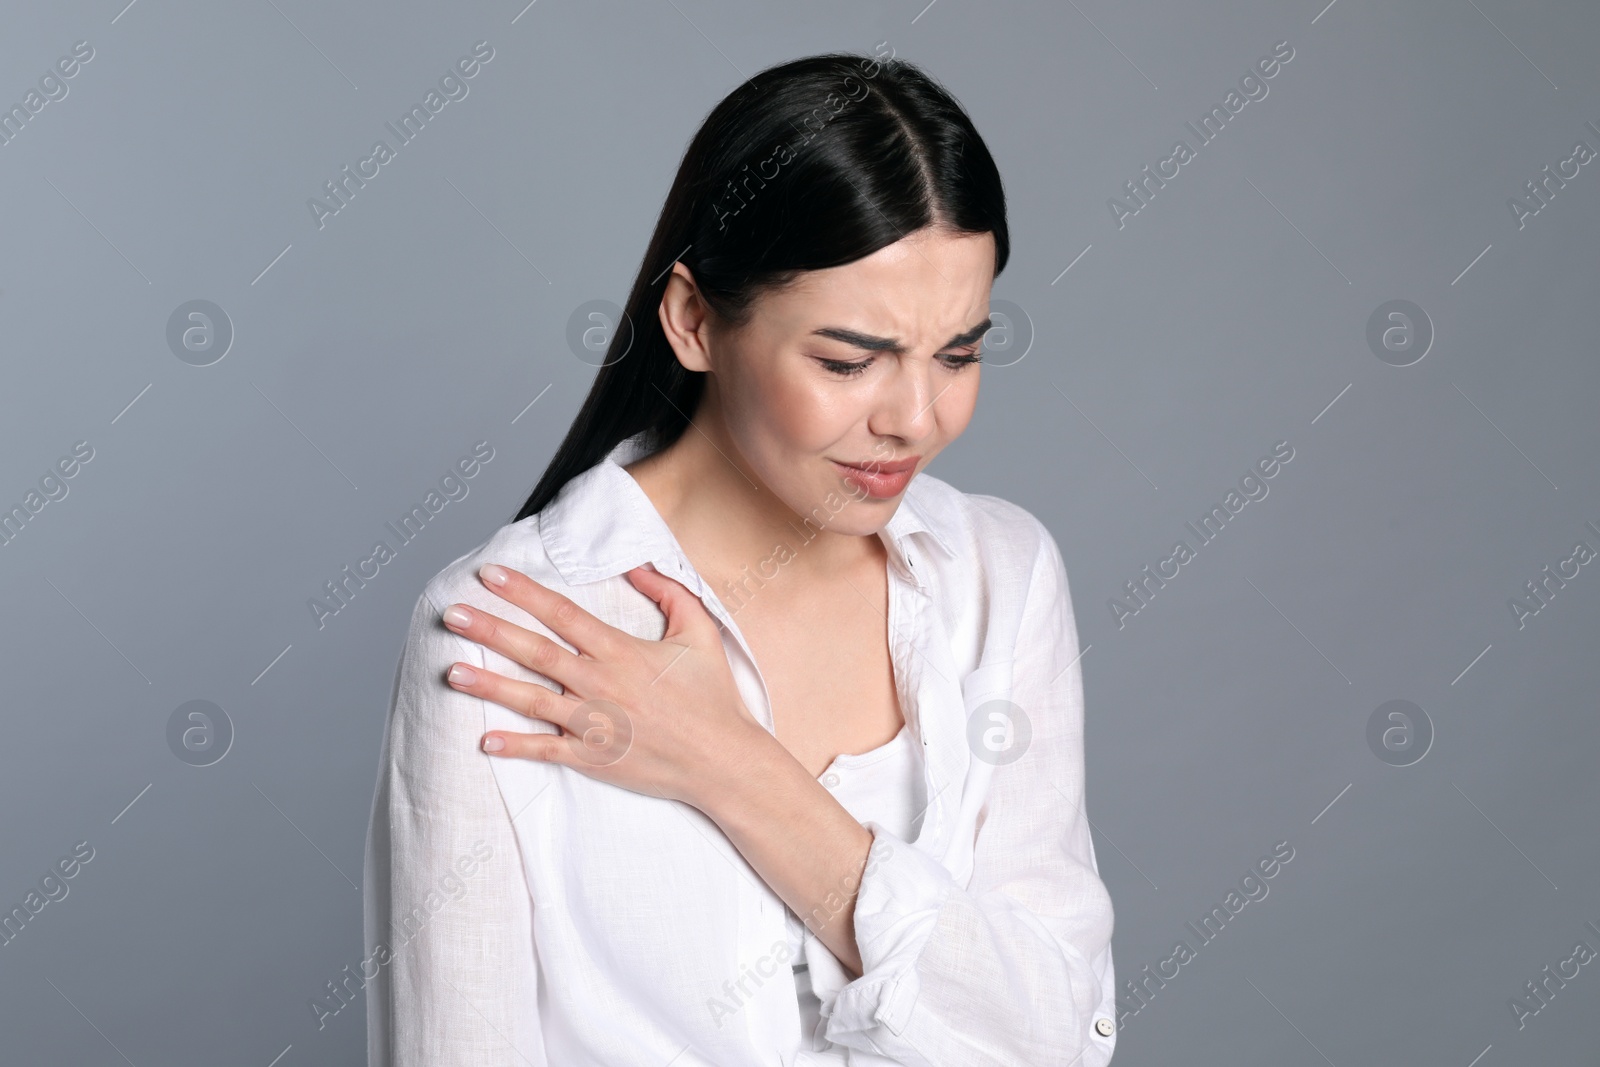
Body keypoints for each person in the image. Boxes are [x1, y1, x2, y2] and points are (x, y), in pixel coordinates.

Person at [363, 49, 1117, 1066]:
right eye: (848, 361)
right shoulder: (514, 624)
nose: (915, 418)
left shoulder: (1001, 576)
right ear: (692, 320)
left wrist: (732, 767)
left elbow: (1051, 1036)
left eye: (959, 353)